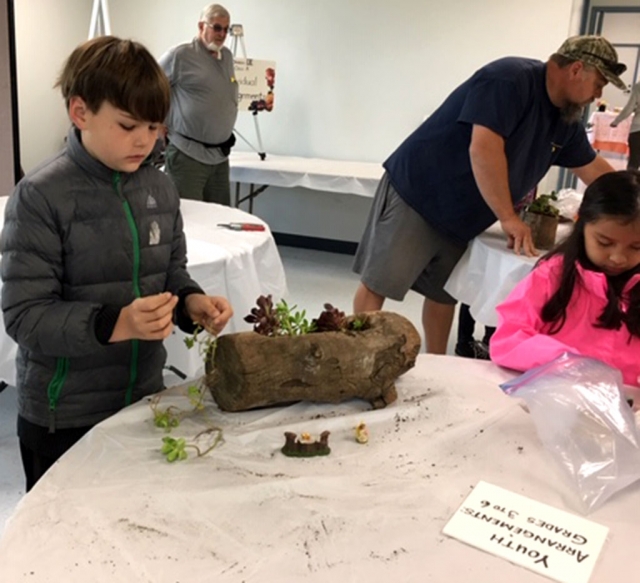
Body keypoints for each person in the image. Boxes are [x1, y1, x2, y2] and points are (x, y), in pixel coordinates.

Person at [0, 36, 233, 491]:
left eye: (154, 127)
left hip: (141, 404)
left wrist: (191, 303)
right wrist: (116, 322)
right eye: (127, 126)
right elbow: (25, 316)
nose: (144, 141)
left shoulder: (161, 190)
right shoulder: (41, 197)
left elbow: (171, 273)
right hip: (62, 418)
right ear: (80, 112)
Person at [353, 35, 627, 354]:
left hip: (464, 216)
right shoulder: (509, 80)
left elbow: (592, 169)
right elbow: (484, 148)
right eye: (600, 82)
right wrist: (508, 218)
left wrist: (633, 198)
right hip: (420, 194)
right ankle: (362, 355)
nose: (599, 94)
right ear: (577, 69)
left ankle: (438, 365)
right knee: (380, 281)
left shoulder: (566, 120)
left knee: (445, 294)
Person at [490, 170, 640, 387]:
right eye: (604, 243)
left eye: (636, 247)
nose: (617, 258)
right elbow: (508, 338)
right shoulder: (553, 276)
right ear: (581, 224)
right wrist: (569, 363)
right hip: (558, 398)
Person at [159, 3, 238, 205]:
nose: (222, 34)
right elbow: (148, 87)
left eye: (226, 29)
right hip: (187, 155)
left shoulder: (227, 57)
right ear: (201, 26)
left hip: (219, 157)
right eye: (217, 27)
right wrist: (156, 122)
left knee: (221, 221)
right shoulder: (180, 55)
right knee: (190, 221)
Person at [611, 81, 640, 170]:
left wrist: (616, 122)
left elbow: (629, 109)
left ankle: (630, 183)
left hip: (637, 129)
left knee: (634, 161)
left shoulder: (638, 87)